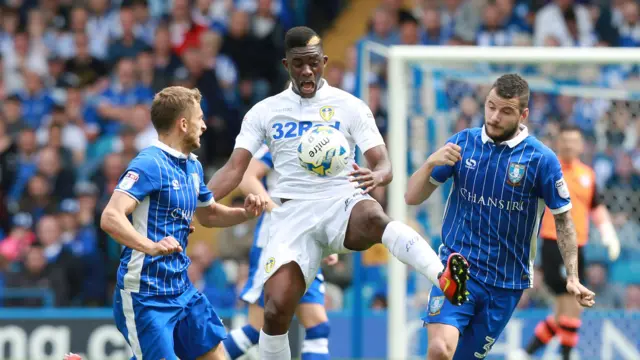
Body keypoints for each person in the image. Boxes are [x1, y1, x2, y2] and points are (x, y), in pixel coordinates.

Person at [207, 26, 469, 360]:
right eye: (298, 64)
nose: (307, 71)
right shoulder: (265, 111)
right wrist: (196, 200)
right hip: (290, 218)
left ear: (324, 62)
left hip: (339, 203)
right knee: (273, 312)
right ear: (286, 64)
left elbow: (383, 164)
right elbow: (234, 169)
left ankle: (443, 277)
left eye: (313, 63)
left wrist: (377, 176)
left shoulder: (350, 106)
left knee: (374, 216)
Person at [404, 74, 596, 360]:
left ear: (523, 114)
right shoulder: (462, 144)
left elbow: (564, 221)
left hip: (505, 285)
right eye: (491, 106)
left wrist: (573, 276)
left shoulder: (541, 159)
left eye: (505, 111)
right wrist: (430, 162)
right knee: (439, 349)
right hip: (458, 269)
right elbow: (412, 197)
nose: (494, 116)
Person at [100, 86, 267, 360]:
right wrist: (150, 246)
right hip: (145, 294)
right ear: (183, 123)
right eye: (199, 118)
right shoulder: (148, 163)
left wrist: (245, 214)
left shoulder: (193, 166)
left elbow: (209, 214)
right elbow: (111, 216)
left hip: (181, 288)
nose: (203, 125)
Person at [223, 145, 336, 359]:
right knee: (257, 329)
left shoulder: (324, 139)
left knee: (318, 327)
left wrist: (325, 241)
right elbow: (247, 178)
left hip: (305, 242)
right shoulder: (281, 134)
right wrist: (281, 214)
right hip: (274, 242)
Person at [524, 124, 620, 360]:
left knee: (563, 312)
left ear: (581, 145)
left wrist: (608, 232)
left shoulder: (587, 175)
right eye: (564, 140)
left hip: (579, 246)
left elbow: (595, 206)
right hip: (553, 242)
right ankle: (563, 356)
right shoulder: (547, 169)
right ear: (558, 143)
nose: (568, 145)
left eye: (573, 141)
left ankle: (524, 353)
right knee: (573, 304)